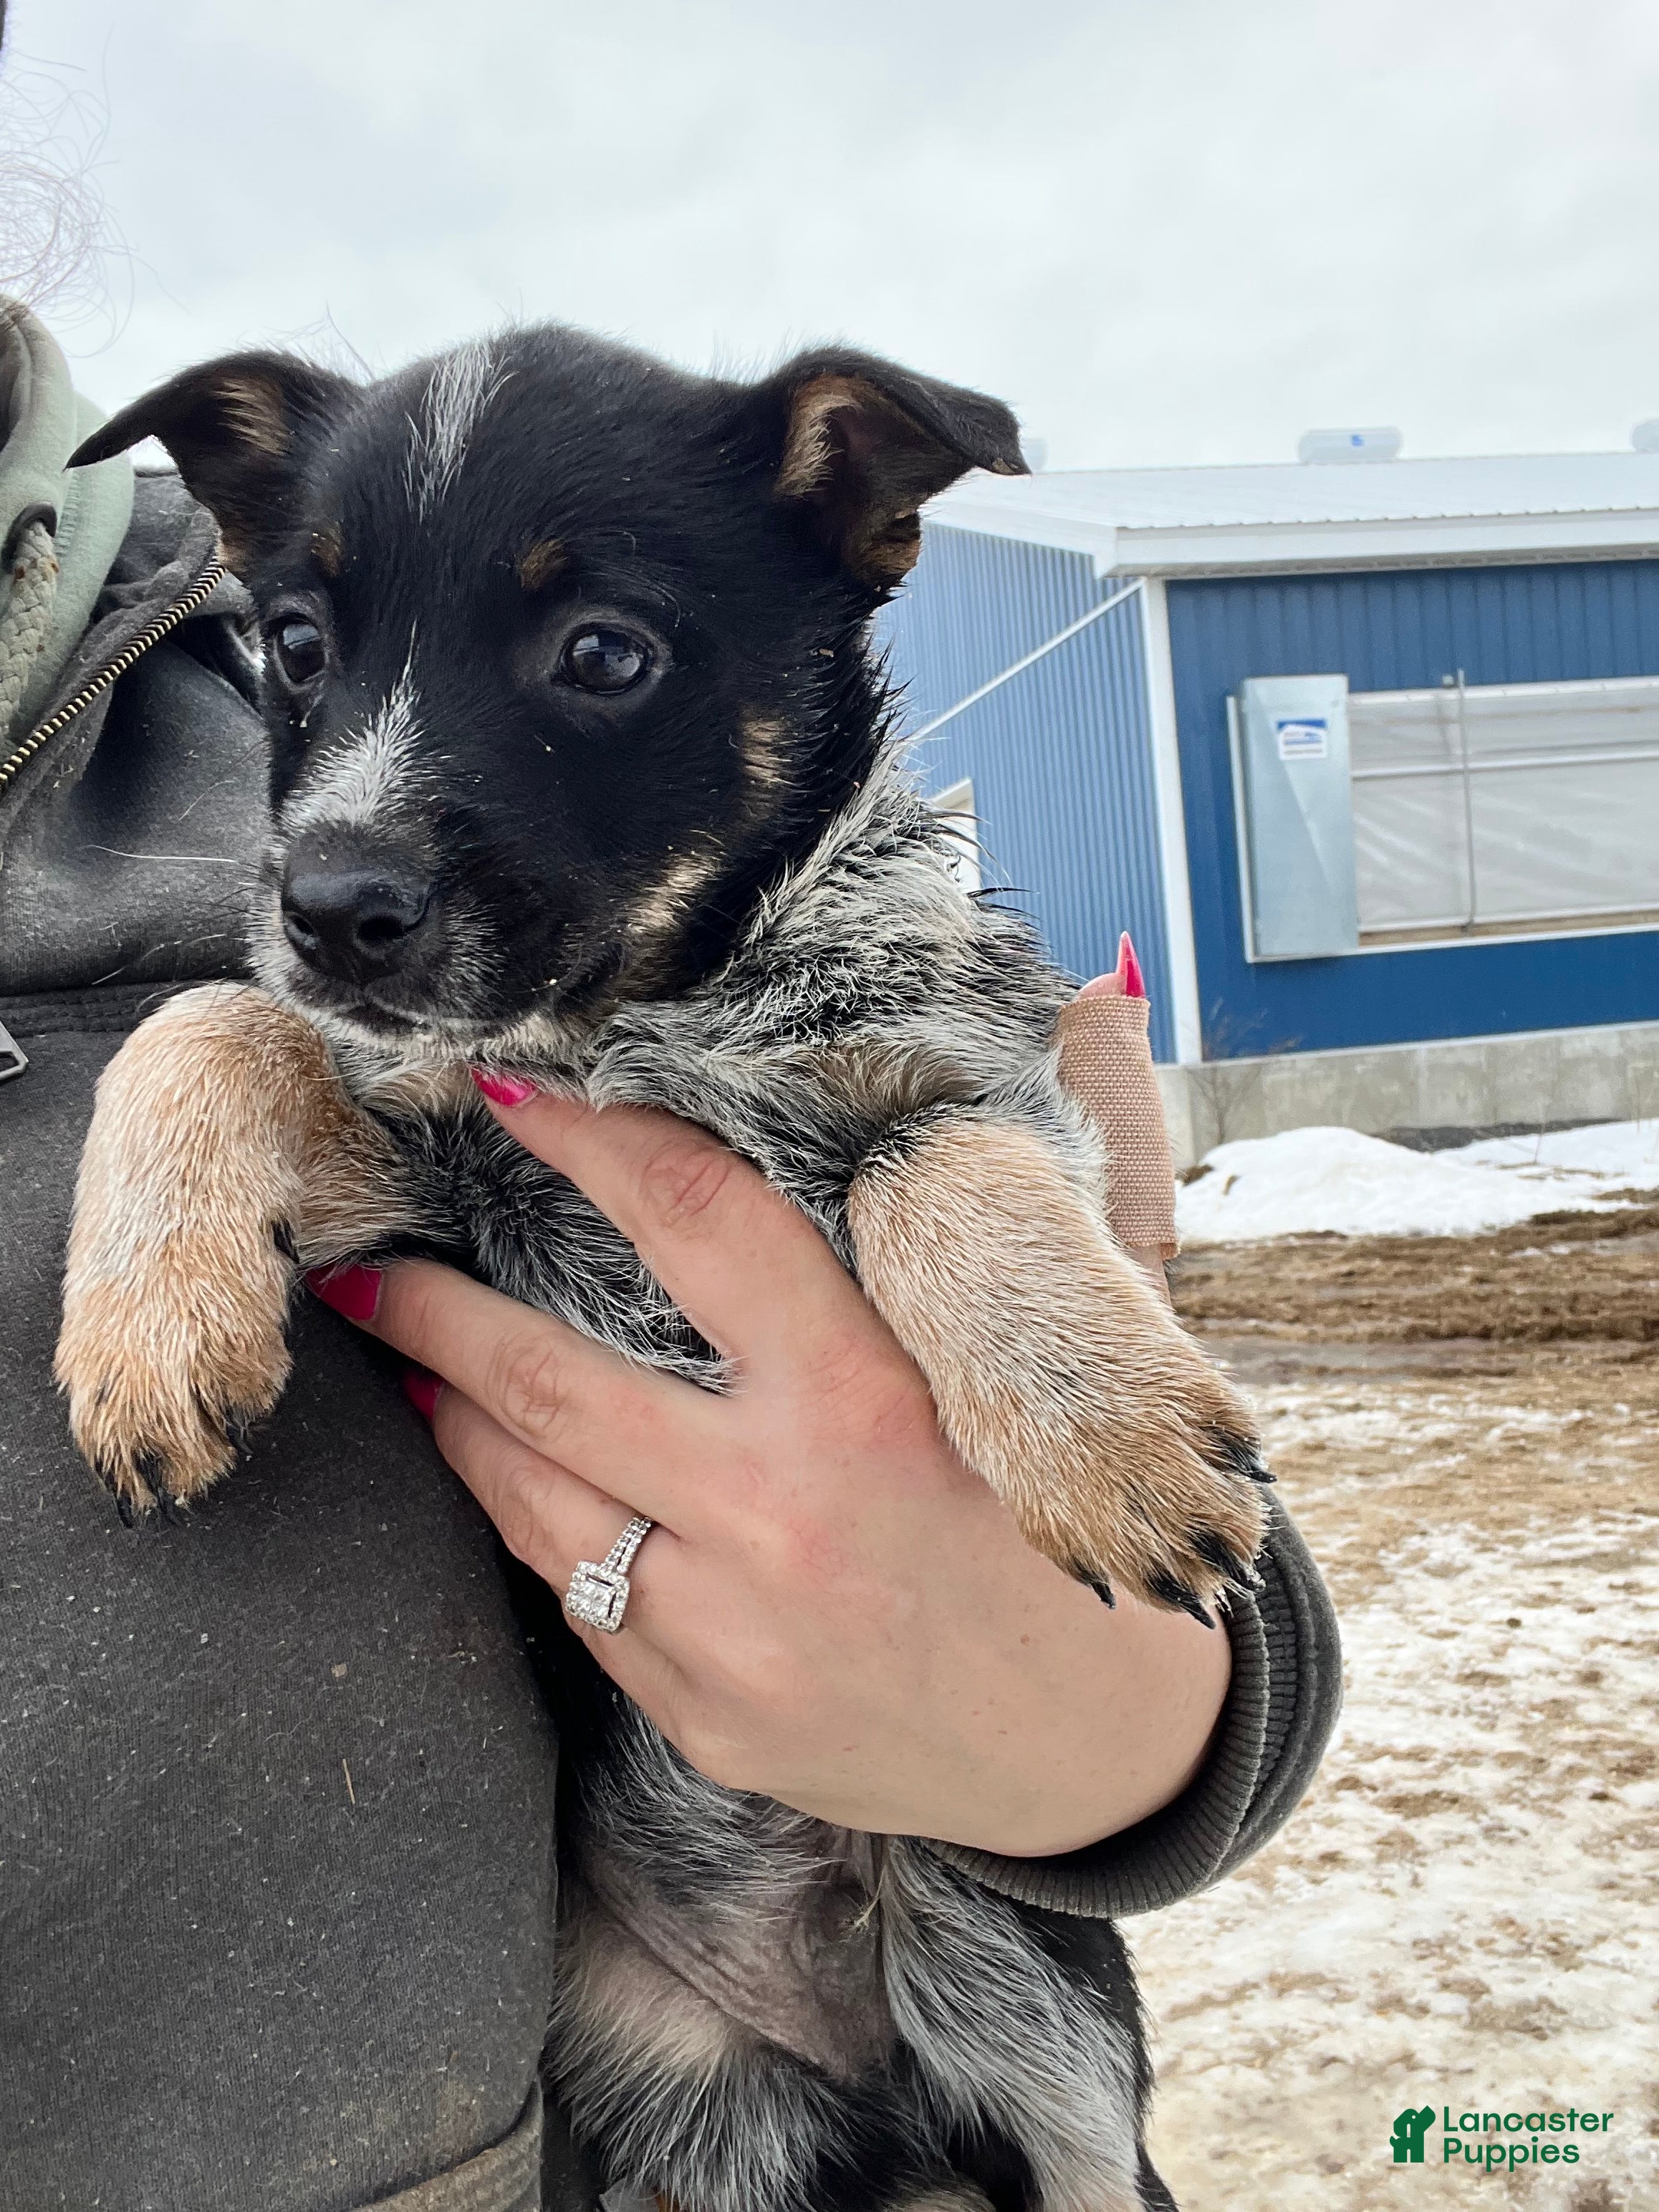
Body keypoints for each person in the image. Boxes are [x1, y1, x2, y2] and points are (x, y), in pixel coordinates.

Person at [0, 274, 1340, 2211]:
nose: (346, 824)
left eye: (598, 657)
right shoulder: (276, 944)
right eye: (310, 643)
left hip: (993, 1940)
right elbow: (347, 1139)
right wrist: (193, 1098)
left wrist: (1136, 1700)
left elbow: (983, 1161)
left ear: (848, 538)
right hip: (593, 2028)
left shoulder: (879, 940)